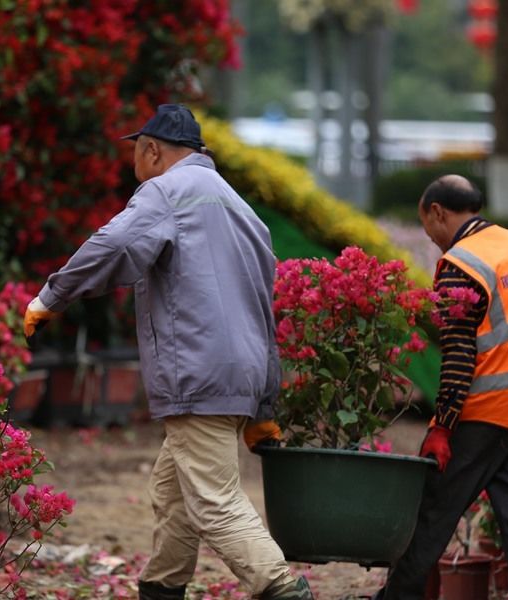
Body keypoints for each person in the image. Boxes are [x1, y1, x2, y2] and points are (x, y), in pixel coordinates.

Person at [23, 104, 312, 600]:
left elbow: (113, 245)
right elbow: (264, 312)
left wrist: (52, 296)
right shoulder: (242, 210)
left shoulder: (165, 191)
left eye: (136, 152)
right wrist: (264, 401)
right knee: (171, 492)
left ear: (152, 150)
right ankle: (162, 587)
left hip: (197, 372)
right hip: (239, 371)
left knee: (215, 502)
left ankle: (282, 589)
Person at [372, 175, 508, 600]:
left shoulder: (460, 264)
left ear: (437, 212)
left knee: (433, 511)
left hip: (488, 411)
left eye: (426, 225)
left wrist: (442, 425)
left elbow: (460, 355)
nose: (430, 237)